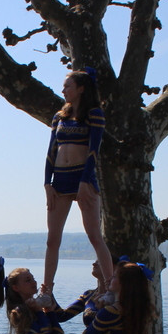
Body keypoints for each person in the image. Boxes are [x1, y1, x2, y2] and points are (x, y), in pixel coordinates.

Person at [41, 68, 114, 304]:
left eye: (68, 86)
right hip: (60, 180)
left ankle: (111, 288)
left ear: (81, 88)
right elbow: (51, 151)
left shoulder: (94, 114)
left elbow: (94, 150)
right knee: (53, 239)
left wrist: (85, 181)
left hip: (84, 179)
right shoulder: (59, 117)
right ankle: (47, 292)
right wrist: (47, 183)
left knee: (94, 235)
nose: (63, 90)